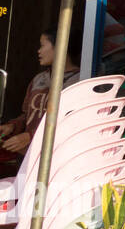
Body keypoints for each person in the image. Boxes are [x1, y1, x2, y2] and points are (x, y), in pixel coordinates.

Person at [0, 26, 81, 162]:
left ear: (60, 46)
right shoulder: (39, 79)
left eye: (42, 46)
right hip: (28, 156)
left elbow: (72, 123)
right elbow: (28, 115)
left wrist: (30, 136)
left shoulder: (79, 81)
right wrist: (13, 126)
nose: (39, 51)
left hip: (57, 158)